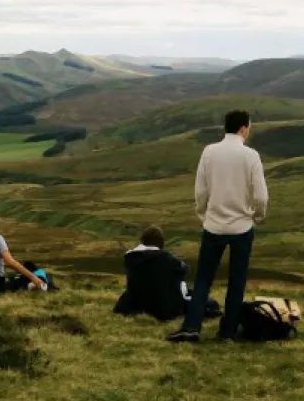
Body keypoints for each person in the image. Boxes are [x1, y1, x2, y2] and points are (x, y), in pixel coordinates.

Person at [168, 110, 269, 343]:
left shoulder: (209, 152)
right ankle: (227, 332)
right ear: (244, 128)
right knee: (237, 281)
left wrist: (203, 214)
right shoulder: (251, 156)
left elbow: (201, 191)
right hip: (242, 228)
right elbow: (261, 196)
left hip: (213, 226)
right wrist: (257, 217)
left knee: (203, 278)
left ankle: (192, 326)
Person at [113, 225, 191, 321]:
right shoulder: (165, 258)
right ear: (161, 243)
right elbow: (184, 269)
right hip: (161, 308)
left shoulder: (130, 258)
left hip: (135, 304)